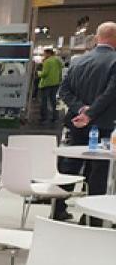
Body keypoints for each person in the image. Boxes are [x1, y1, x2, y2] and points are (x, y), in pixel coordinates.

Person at [53, 21, 116, 224]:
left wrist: (81, 109)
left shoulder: (78, 61)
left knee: (70, 166)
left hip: (76, 123)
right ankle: (91, 218)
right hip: (104, 125)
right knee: (98, 171)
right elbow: (111, 93)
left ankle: (57, 209)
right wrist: (91, 113)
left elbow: (64, 91)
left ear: (98, 38)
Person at [37, 47, 63, 124]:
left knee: (44, 102)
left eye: (44, 53)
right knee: (53, 101)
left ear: (48, 53)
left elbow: (44, 74)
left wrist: (38, 73)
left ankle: (44, 118)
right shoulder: (58, 61)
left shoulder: (47, 61)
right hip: (55, 83)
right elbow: (60, 72)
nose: (44, 55)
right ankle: (55, 118)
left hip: (46, 84)